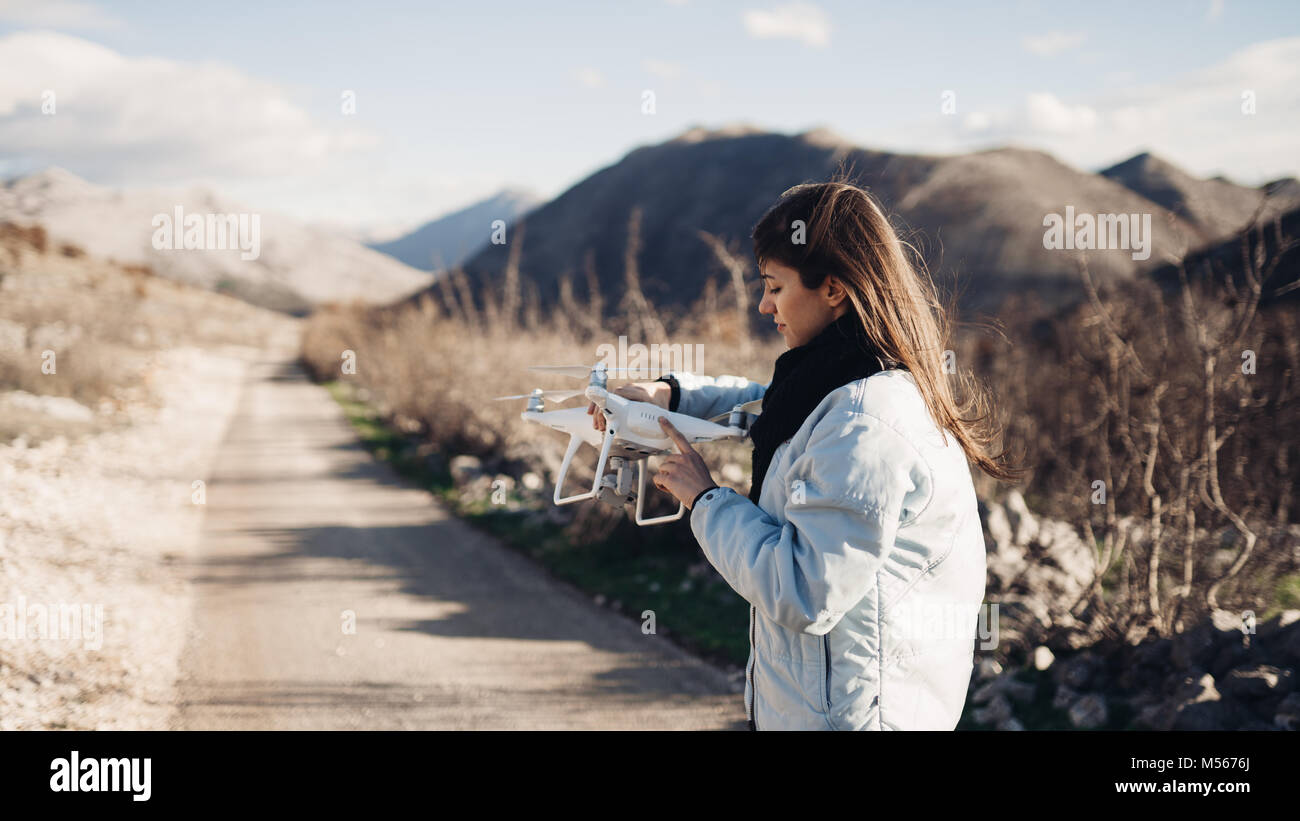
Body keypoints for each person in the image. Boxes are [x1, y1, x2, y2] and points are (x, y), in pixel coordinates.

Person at [588, 180, 1017, 730]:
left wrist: (705, 499)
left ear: (834, 289)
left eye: (774, 286)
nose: (763, 305)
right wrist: (669, 396)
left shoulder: (865, 420)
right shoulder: (843, 380)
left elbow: (804, 590)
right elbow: (770, 410)